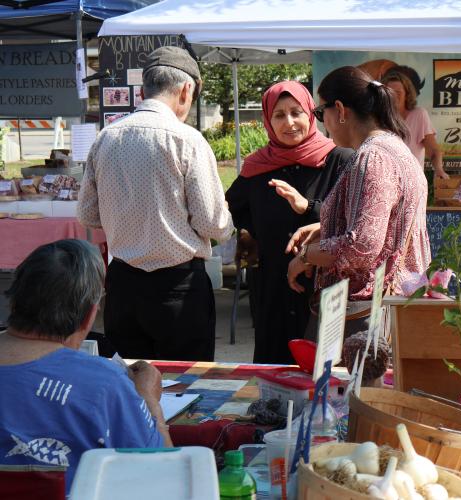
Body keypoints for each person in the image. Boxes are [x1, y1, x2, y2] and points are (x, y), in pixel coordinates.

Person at [78, 46, 234, 362]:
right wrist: (229, 229)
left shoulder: (107, 137)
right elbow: (213, 223)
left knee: (130, 383)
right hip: (179, 287)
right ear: (186, 89)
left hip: (123, 284)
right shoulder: (187, 140)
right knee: (187, 385)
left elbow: (88, 214)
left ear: (143, 89)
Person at [0, 240, 171, 495]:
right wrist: (149, 401)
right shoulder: (104, 384)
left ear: (13, 302)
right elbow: (163, 473)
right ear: (90, 315)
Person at [286, 66, 431, 318]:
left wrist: (306, 257)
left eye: (321, 113)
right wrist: (326, 228)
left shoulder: (371, 157)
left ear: (340, 110)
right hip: (395, 306)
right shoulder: (396, 149)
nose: (322, 124)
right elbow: (387, 226)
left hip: (370, 315)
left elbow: (362, 247)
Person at [226, 81, 353, 364]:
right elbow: (232, 208)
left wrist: (307, 207)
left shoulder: (340, 161)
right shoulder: (256, 168)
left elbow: (354, 220)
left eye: (296, 112)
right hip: (274, 290)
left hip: (325, 292)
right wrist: (251, 234)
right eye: (279, 115)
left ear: (311, 114)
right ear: (267, 120)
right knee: (275, 377)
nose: (290, 122)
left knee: (326, 381)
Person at [382, 68, 449, 179]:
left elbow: (433, 150)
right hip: (386, 184)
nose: (393, 96)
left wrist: (439, 169)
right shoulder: (378, 118)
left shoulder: (419, 114)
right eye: (389, 92)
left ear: (407, 94)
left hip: (413, 185)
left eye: (398, 93)